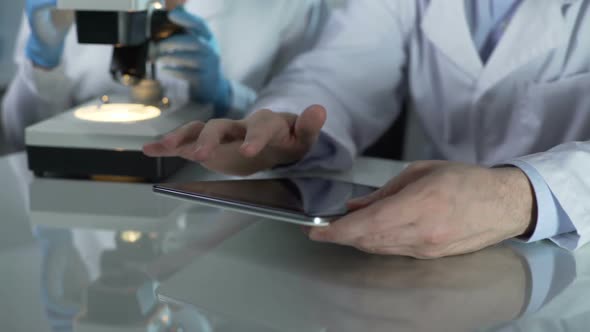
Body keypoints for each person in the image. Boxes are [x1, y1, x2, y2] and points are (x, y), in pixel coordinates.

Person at [144, 0, 590, 259]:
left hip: (572, 258)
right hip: (414, 252)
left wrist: (518, 196)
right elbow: (344, 69)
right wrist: (286, 126)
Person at [1, 0, 328, 150]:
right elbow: (18, 137)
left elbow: (304, 131)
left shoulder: (286, 6)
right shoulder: (60, 5)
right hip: (85, 215)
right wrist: (42, 61)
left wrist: (228, 99)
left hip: (213, 211)